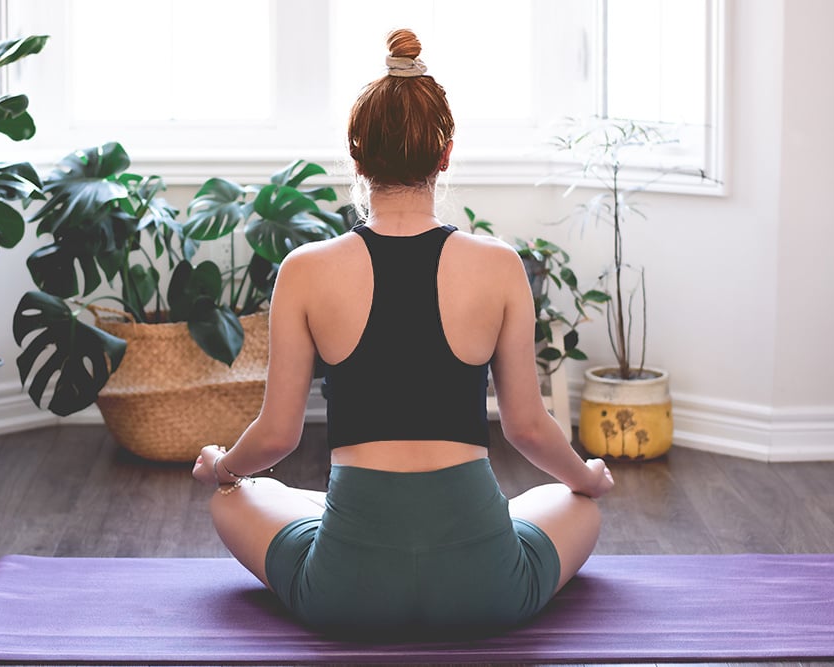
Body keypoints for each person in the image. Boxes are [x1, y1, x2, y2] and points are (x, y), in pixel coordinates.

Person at [193, 28, 614, 636]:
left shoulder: (305, 271)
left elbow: (278, 435)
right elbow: (526, 428)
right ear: (445, 154)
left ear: (357, 157)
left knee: (236, 498)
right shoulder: (499, 266)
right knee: (575, 505)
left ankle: (321, 509)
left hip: (346, 595)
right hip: (487, 591)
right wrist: (589, 477)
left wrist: (221, 467)